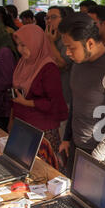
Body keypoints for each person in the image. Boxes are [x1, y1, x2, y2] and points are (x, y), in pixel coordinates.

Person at [58, 13, 105, 176]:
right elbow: (76, 103)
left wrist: (96, 157)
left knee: (100, 201)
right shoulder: (78, 63)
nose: (67, 53)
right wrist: (67, 138)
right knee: (75, 198)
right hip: (78, 146)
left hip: (104, 152)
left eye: (71, 47)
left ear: (90, 43)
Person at [11, 24, 68, 154]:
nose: (20, 49)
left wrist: (27, 103)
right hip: (23, 125)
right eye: (18, 45)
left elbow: (54, 103)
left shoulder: (48, 68)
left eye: (24, 45)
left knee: (42, 172)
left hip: (42, 131)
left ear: (35, 43)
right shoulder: (24, 63)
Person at [45, 6, 73, 108]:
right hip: (50, 96)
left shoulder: (68, 39)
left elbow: (61, 64)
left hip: (65, 97)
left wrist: (50, 42)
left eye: (53, 17)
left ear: (64, 20)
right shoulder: (49, 37)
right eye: (47, 18)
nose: (49, 21)